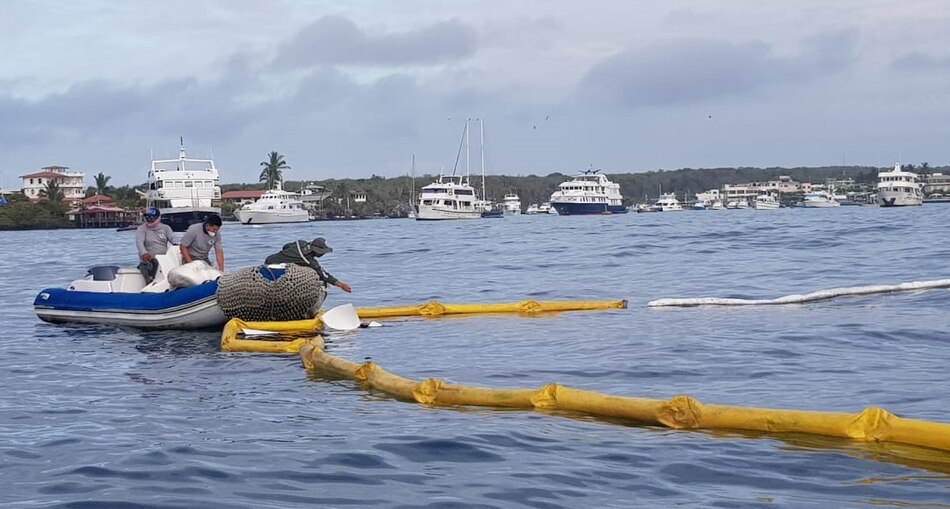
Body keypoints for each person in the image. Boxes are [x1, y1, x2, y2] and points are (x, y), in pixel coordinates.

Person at [264, 237, 351, 293]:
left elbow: (286, 246)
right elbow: (324, 275)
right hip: (274, 267)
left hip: (268, 259)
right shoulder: (308, 261)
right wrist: (342, 285)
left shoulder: (300, 243)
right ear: (317, 251)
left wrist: (288, 255)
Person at [135, 207, 175, 284]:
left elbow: (173, 239)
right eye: (147, 218)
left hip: (164, 258)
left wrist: (178, 246)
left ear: (158, 218)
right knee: (146, 265)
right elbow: (139, 242)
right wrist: (143, 253)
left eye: (152, 218)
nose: (149, 220)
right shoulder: (141, 229)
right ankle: (149, 280)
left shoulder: (166, 228)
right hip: (149, 258)